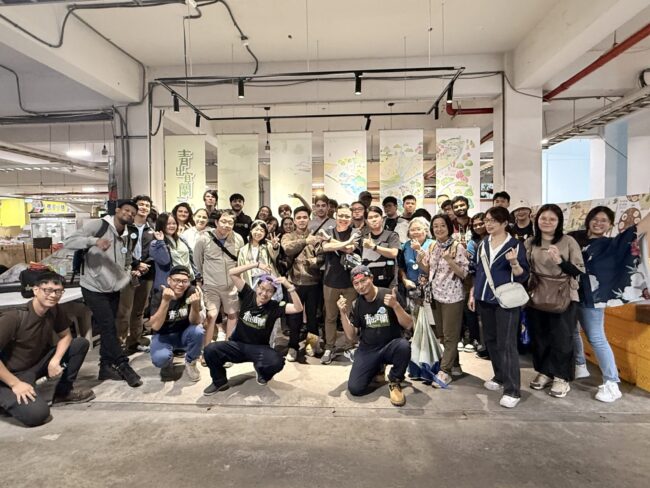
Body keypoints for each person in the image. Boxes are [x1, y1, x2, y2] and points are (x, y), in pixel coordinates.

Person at [569, 206, 650, 402]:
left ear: (610, 225)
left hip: (592, 299)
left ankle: (612, 382)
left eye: (604, 220)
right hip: (569, 295)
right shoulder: (574, 238)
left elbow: (640, 228)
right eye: (595, 219)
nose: (598, 223)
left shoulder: (611, 245)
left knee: (596, 337)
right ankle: (579, 364)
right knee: (571, 331)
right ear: (588, 220)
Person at [64, 199, 142, 387]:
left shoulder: (128, 233)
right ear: (117, 210)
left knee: (110, 326)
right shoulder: (98, 225)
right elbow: (69, 242)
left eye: (133, 213)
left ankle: (105, 367)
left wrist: (127, 273)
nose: (129, 214)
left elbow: (127, 255)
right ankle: (123, 365)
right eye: (126, 210)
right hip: (93, 286)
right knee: (108, 327)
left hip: (114, 287)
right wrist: (94, 241)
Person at [0, 272, 95, 427]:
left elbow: (66, 337)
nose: (53, 295)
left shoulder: (54, 310)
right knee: (38, 415)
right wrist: (15, 384)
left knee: (79, 344)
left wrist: (55, 360)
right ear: (36, 290)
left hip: (34, 366)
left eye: (58, 291)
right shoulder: (14, 317)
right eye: (48, 290)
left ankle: (63, 393)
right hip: (9, 375)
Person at [202, 263, 303, 394]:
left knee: (277, 361)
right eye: (262, 288)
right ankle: (219, 381)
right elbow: (232, 273)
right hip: (237, 345)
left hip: (259, 348)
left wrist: (289, 287)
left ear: (273, 293)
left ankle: (262, 372)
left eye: (269, 291)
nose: (264, 293)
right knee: (210, 350)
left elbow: (298, 308)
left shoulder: (274, 307)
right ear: (257, 287)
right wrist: (256, 264)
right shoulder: (248, 294)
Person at [468, 206, 529, 408]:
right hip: (484, 298)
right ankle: (500, 376)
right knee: (491, 340)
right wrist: (473, 293)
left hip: (506, 301)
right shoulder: (482, 244)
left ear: (504, 223)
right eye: (487, 220)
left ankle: (512, 390)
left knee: (507, 343)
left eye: (493, 220)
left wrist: (514, 263)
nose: (488, 224)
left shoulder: (515, 245)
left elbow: (523, 275)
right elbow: (477, 270)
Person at [525, 204, 584, 399]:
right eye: (543, 218)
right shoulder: (531, 242)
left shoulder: (568, 241)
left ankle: (561, 377)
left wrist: (560, 261)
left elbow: (578, 271)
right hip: (537, 294)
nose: (547, 222)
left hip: (563, 295)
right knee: (540, 336)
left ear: (559, 222)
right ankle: (544, 371)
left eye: (552, 219)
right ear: (537, 220)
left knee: (562, 337)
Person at [338, 265, 413, 406]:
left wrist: (395, 306)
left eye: (363, 281)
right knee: (355, 388)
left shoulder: (389, 295)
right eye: (356, 284)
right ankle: (377, 368)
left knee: (404, 346)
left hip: (391, 346)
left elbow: (408, 324)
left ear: (371, 278)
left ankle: (395, 380)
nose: (360, 286)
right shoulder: (357, 304)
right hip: (369, 349)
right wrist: (343, 313)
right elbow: (351, 336)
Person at [417, 214, 469, 387]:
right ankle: (455, 365)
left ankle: (445, 371)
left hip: (452, 297)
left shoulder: (457, 247)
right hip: (436, 295)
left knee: (450, 335)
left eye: (442, 226)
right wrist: (420, 258)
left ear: (449, 227)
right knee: (442, 334)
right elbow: (429, 269)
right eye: (436, 226)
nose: (439, 229)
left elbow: (464, 273)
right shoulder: (433, 246)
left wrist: (450, 260)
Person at [194, 210, 245, 349]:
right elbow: (198, 261)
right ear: (216, 222)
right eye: (223, 221)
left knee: (233, 315)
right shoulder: (203, 238)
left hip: (231, 286)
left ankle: (227, 348)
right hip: (211, 285)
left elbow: (240, 261)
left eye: (230, 222)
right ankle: (206, 350)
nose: (226, 225)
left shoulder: (238, 238)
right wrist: (206, 276)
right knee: (211, 316)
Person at [281, 206, 326, 360]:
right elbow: (287, 249)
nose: (301, 220)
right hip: (294, 283)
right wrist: (306, 241)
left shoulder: (317, 235)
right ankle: (293, 347)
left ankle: (311, 345)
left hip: (313, 282)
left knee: (313, 318)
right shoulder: (288, 236)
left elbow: (322, 256)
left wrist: (314, 261)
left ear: (309, 219)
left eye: (304, 217)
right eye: (298, 218)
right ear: (294, 220)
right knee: (294, 318)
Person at [148, 266, 205, 382]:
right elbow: (155, 326)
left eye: (184, 281)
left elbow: (195, 322)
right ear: (169, 280)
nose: (180, 284)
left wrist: (195, 305)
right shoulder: (159, 295)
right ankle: (167, 363)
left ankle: (191, 362)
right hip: (164, 335)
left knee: (198, 331)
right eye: (176, 280)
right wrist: (165, 301)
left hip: (183, 333)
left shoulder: (191, 291)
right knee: (160, 359)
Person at [320, 204, 361, 364]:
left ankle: (350, 346)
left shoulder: (356, 232)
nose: (344, 219)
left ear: (351, 218)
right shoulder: (329, 230)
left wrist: (333, 240)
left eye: (347, 216)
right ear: (335, 216)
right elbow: (326, 247)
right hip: (330, 282)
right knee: (330, 317)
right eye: (341, 215)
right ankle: (329, 347)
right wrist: (338, 243)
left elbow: (350, 249)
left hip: (351, 283)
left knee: (349, 317)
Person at [116, 194, 155, 354]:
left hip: (146, 274)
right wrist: (135, 264)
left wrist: (144, 266)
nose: (144, 207)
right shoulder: (126, 227)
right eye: (141, 204)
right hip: (128, 273)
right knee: (124, 311)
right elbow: (122, 249)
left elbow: (155, 249)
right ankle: (120, 345)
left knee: (139, 310)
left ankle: (135, 341)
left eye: (147, 205)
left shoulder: (152, 228)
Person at [150, 212, 196, 291]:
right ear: (161, 225)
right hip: (167, 284)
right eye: (168, 224)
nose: (172, 226)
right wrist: (161, 242)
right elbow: (164, 261)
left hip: (186, 280)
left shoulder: (181, 239)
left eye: (174, 223)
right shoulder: (155, 243)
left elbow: (191, 258)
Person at [362, 206, 400, 288]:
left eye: (376, 216)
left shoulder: (392, 235)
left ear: (382, 218)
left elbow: (394, 253)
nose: (374, 220)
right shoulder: (363, 237)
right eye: (370, 218)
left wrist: (373, 247)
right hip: (368, 283)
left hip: (389, 282)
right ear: (366, 221)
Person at [236, 220, 280, 290]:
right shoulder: (243, 250)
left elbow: (274, 253)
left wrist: (275, 246)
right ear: (251, 230)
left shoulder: (267, 245)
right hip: (250, 280)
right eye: (256, 229)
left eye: (262, 231)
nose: (259, 232)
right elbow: (240, 269)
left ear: (265, 233)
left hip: (267, 279)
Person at [399, 217, 433, 294]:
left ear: (426, 231)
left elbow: (433, 268)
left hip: (430, 286)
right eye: (412, 230)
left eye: (418, 229)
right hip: (411, 287)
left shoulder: (433, 244)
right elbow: (401, 267)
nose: (415, 232)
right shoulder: (405, 246)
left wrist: (419, 250)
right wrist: (405, 280)